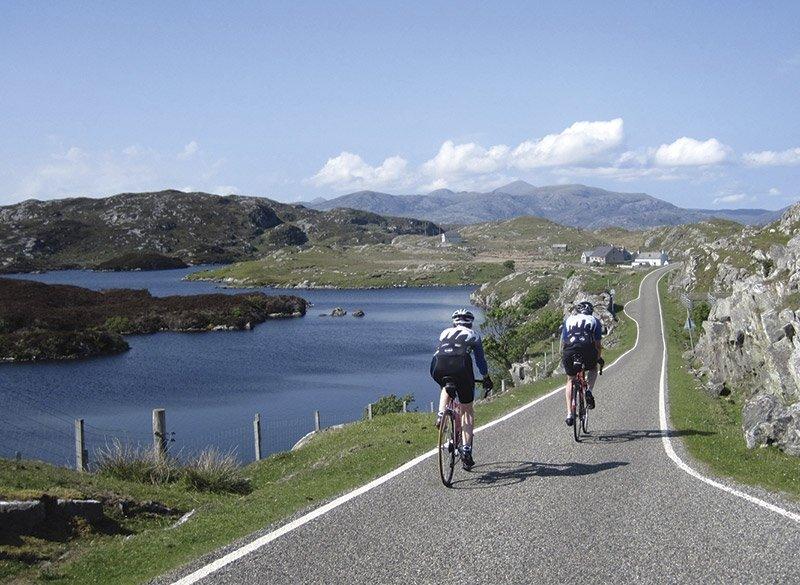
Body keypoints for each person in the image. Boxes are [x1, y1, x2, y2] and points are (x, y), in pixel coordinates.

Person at [430, 309, 493, 469]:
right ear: (470, 323)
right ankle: (466, 449)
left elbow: (442, 351)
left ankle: (440, 415)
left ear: (454, 322)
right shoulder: (474, 335)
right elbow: (480, 360)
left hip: (438, 365)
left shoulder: (445, 332)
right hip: (461, 366)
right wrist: (486, 377)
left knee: (446, 385)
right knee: (466, 409)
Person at [561, 300, 604, 426]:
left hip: (569, 350)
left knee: (570, 379)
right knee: (593, 369)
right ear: (590, 311)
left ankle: (569, 414)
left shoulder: (568, 320)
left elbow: (564, 342)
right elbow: (597, 345)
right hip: (587, 349)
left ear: (578, 311)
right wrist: (598, 358)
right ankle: (589, 391)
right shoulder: (594, 320)